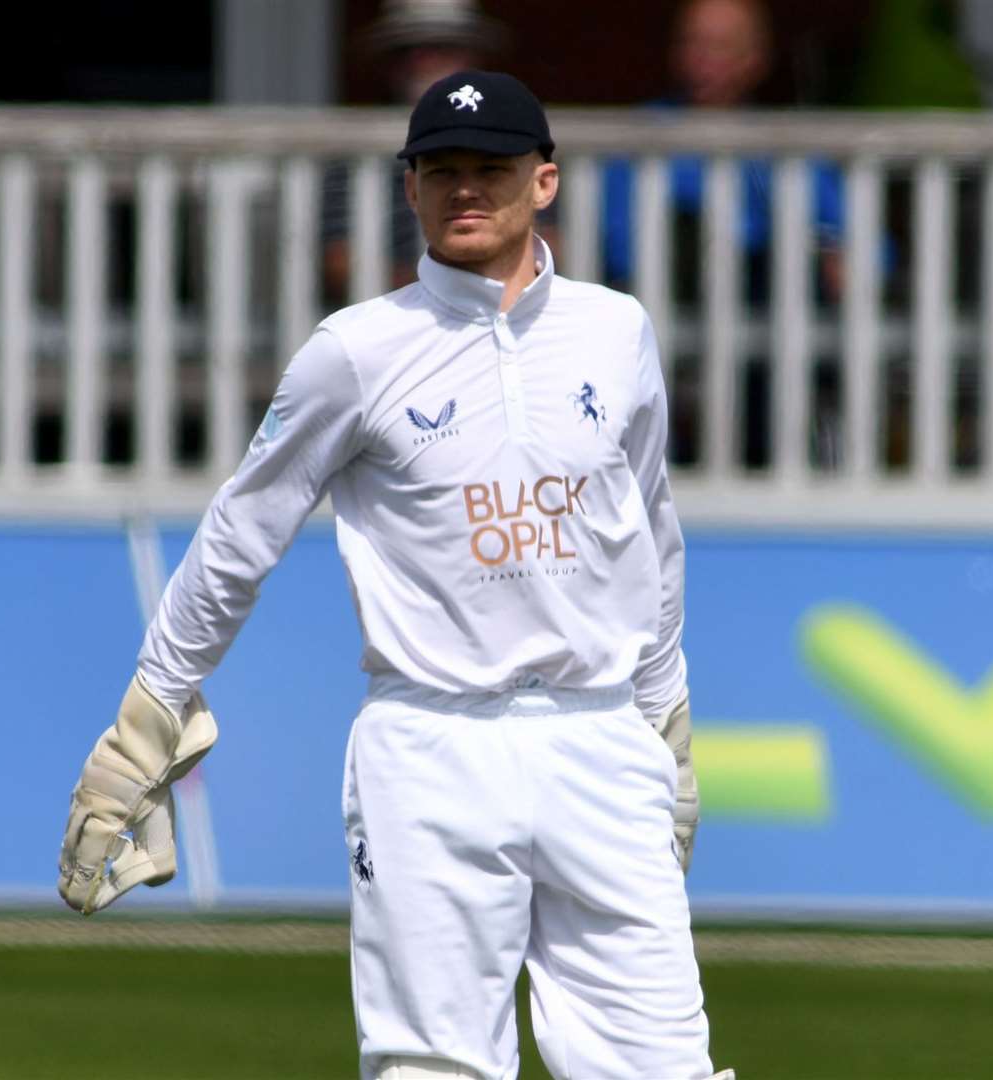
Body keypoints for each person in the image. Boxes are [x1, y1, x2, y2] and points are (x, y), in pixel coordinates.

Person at [58, 70, 732, 1080]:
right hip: (430, 749)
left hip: (600, 741)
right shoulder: (357, 352)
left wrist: (666, 719)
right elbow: (243, 533)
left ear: (542, 181)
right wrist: (150, 710)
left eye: (491, 170)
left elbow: (647, 538)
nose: (467, 191)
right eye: (441, 171)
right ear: (409, 188)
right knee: (432, 1071)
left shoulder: (615, 331)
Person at [602, 0, 846, 305]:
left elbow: (858, 243)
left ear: (756, 59)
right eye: (690, 42)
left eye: (719, 46)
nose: (701, 58)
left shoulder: (786, 144)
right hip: (662, 309)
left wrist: (835, 255)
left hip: (771, 317)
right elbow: (616, 247)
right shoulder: (636, 137)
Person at [321, 0, 509, 303]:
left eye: (443, 48)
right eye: (407, 51)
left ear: (472, 58)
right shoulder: (353, 154)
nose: (424, 61)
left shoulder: (514, 141)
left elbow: (548, 243)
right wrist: (437, 290)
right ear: (389, 65)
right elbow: (339, 264)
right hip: (393, 315)